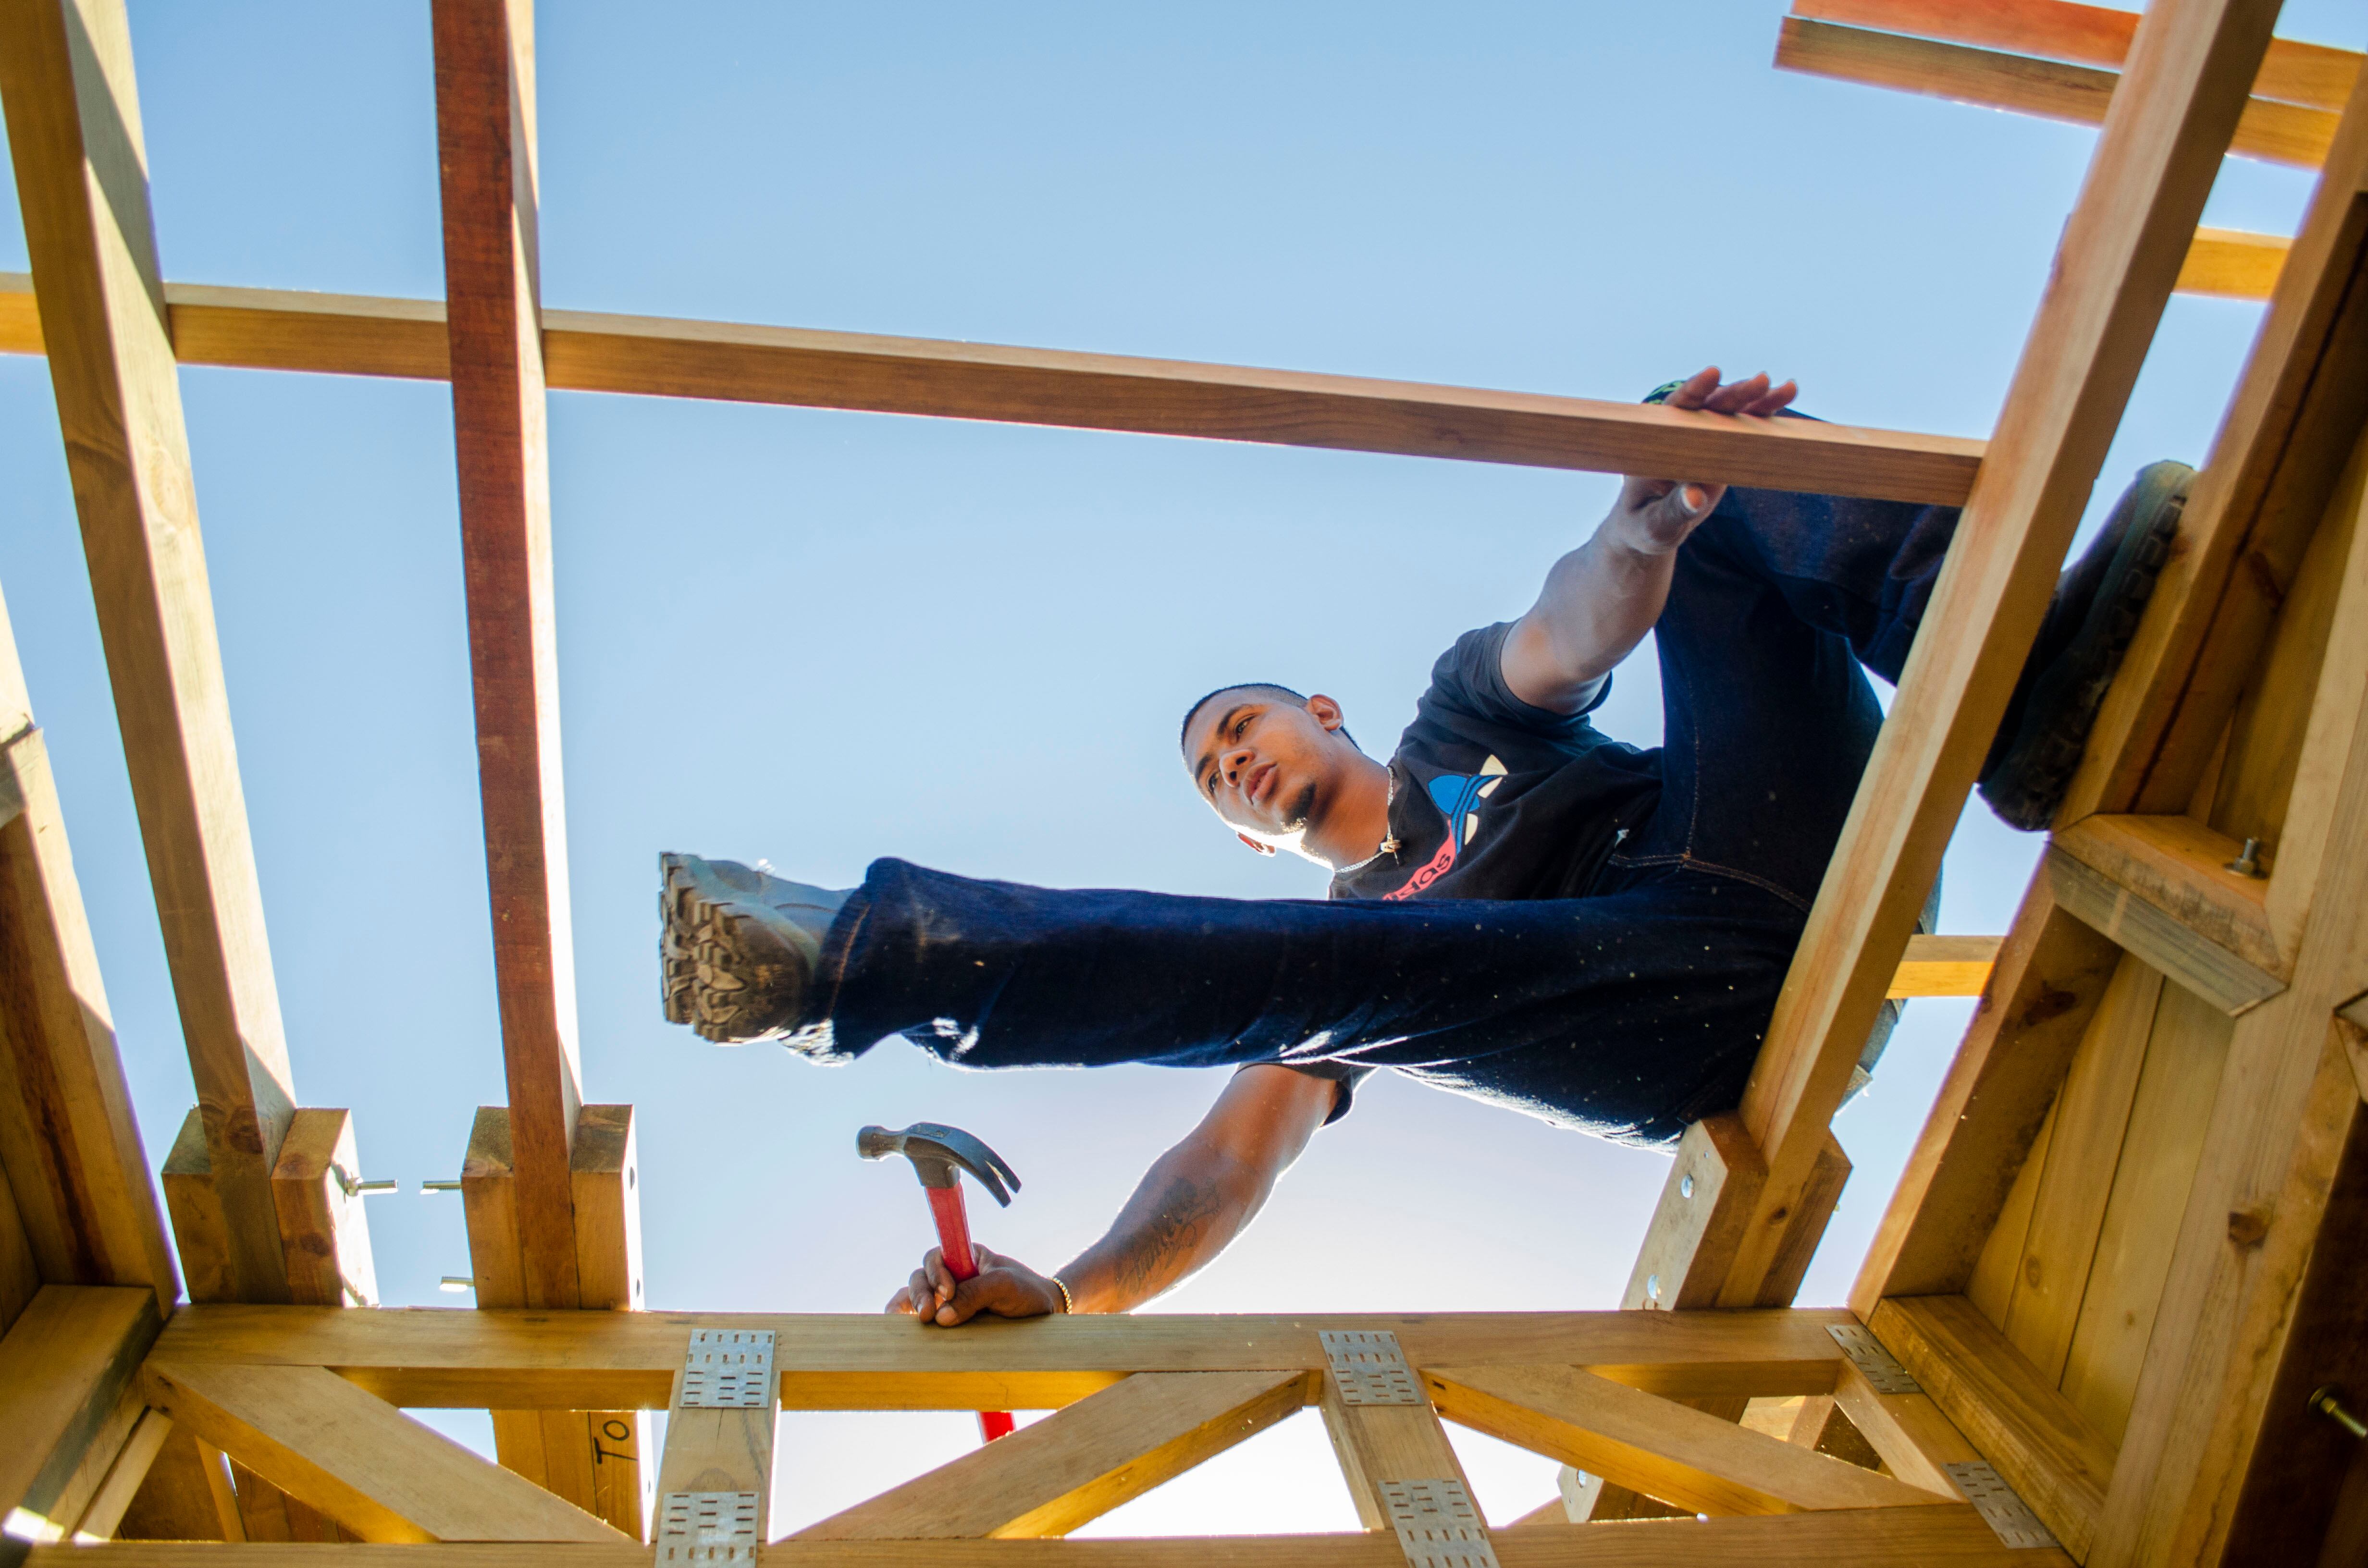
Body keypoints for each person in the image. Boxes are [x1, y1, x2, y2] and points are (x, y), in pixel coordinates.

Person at [654, 367, 2188, 1328]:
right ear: (1244, 834)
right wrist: (1074, 1289)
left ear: (1317, 711)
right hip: (1666, 1026)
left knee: (1702, 453)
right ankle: (858, 957)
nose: (1233, 763)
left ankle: (2020, 689)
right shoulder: (1355, 940)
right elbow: (1221, 1164)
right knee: (1329, 975)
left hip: (1766, 856)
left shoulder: (1461, 715)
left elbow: (1568, 627)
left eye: (1239, 726)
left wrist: (1644, 531)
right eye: (1210, 777)